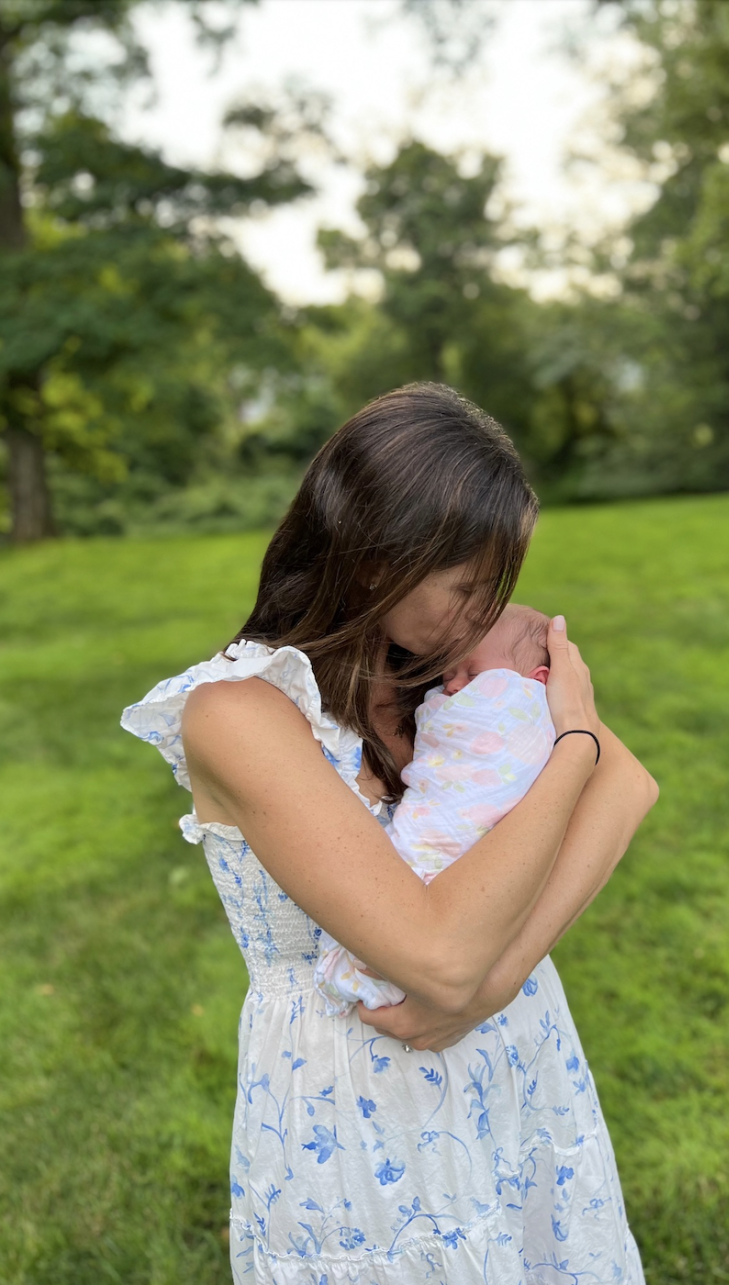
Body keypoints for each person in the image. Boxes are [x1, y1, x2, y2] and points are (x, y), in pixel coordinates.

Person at [120, 382, 658, 1285]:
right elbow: (436, 956)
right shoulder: (239, 713)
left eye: (499, 587)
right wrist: (571, 743)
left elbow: (630, 788)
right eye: (467, 586)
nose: (487, 614)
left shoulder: (437, 673)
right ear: (377, 562)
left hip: (512, 1062)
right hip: (355, 1112)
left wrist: (497, 982)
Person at [314, 604, 555, 1014]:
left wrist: (582, 742)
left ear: (537, 681)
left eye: (475, 676)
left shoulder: (524, 694)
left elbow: (630, 784)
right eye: (449, 676)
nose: (455, 688)